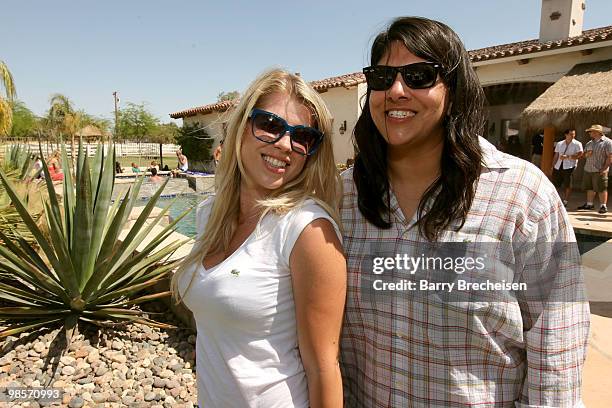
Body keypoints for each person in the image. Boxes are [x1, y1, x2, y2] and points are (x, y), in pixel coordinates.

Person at [340, 16, 589, 407]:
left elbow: (557, 337)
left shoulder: (521, 195)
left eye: (419, 75)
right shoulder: (343, 197)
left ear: (453, 90)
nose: (396, 91)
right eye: (382, 77)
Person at [170, 69, 346, 408]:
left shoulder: (307, 230)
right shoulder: (209, 213)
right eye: (270, 124)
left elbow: (323, 368)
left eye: (303, 137)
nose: (284, 145)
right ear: (241, 128)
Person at [577, 124, 612, 214]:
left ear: (597, 132)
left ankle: (603, 206)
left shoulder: (608, 142)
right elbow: (583, 155)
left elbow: (610, 156)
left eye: (591, 131)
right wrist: (586, 155)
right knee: (590, 187)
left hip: (600, 169)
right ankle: (589, 204)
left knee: (601, 188)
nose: (590, 133)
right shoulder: (589, 143)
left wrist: (604, 169)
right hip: (588, 169)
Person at [551, 128, 583, 207]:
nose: (572, 136)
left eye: (573, 134)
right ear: (566, 135)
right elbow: (556, 155)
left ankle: (565, 201)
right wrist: (552, 165)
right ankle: (554, 200)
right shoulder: (560, 143)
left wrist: (568, 157)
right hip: (558, 165)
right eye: (570, 134)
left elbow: (580, 155)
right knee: (556, 183)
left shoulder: (577, 144)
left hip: (569, 166)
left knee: (568, 184)